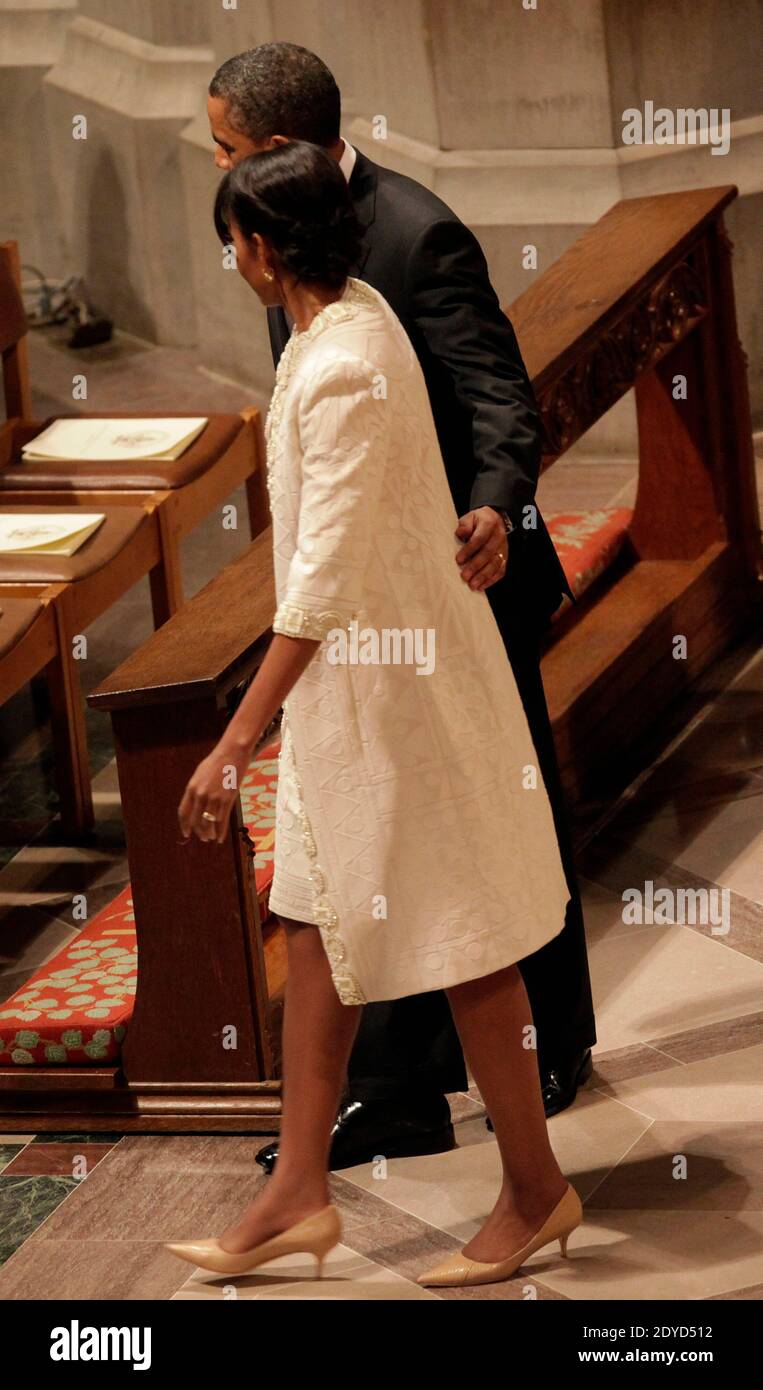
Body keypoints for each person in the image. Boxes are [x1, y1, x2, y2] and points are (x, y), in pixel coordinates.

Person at [166, 142, 583, 1287]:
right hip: (353, 698)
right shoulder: (336, 321)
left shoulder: (347, 358)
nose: (231, 259)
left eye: (231, 238)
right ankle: (298, 1190)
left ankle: (537, 1187)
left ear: (261, 247)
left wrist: (234, 739)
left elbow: (324, 582)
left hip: (398, 700)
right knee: (314, 924)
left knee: (464, 935)